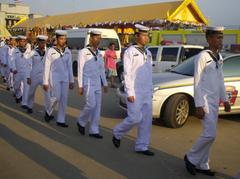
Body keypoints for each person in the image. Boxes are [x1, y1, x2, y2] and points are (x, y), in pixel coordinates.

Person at [184, 26, 231, 176]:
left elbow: (220, 80)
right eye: (218, 37)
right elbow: (197, 81)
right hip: (204, 101)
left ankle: (203, 165)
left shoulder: (219, 57)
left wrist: (225, 100)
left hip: (215, 101)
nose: (221, 41)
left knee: (210, 134)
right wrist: (198, 105)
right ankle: (190, 158)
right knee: (210, 134)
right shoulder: (203, 56)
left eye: (221, 37)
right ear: (209, 39)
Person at [112, 24, 154, 156]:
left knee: (146, 120)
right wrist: (129, 92)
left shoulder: (148, 52)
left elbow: (149, 73)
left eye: (147, 35)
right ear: (137, 36)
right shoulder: (130, 51)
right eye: (144, 35)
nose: (146, 38)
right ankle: (117, 132)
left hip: (147, 91)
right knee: (135, 118)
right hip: (135, 91)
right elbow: (127, 73)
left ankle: (142, 146)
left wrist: (151, 90)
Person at [76, 30, 108, 139]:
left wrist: (105, 83)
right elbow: (80, 69)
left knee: (97, 107)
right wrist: (80, 85)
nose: (98, 40)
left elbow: (101, 69)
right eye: (96, 38)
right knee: (91, 104)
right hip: (88, 82)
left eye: (100, 38)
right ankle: (81, 121)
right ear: (91, 39)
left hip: (97, 83)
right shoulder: (83, 52)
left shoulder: (99, 53)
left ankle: (94, 130)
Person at [43, 30, 74, 127]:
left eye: (64, 39)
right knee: (56, 97)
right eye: (61, 39)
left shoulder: (68, 52)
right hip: (54, 78)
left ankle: (61, 120)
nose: (63, 41)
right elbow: (46, 67)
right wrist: (45, 82)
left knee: (64, 99)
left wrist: (71, 80)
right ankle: (48, 111)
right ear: (57, 39)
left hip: (64, 78)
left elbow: (70, 67)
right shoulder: (50, 51)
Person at [26, 35, 52, 115]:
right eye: (41, 42)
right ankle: (29, 106)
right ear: (38, 43)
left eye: (44, 42)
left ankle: (48, 112)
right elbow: (28, 64)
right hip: (34, 76)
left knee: (47, 94)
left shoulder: (48, 52)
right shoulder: (33, 52)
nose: (43, 44)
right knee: (31, 92)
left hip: (44, 77)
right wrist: (28, 76)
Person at [12, 35, 32, 107]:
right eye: (21, 41)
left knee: (26, 87)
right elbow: (12, 60)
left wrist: (30, 74)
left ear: (26, 42)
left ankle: (24, 102)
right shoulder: (15, 51)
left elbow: (31, 63)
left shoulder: (29, 51)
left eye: (24, 41)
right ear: (18, 42)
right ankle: (18, 95)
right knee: (16, 86)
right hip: (17, 71)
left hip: (26, 72)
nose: (22, 43)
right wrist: (14, 69)